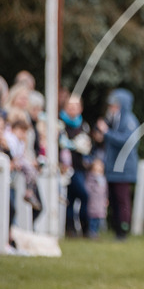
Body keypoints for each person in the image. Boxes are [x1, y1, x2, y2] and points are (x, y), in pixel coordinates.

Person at [96, 88, 140, 240]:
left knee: (122, 200)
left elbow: (127, 141)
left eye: (115, 104)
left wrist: (106, 133)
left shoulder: (129, 120)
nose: (111, 108)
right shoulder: (115, 119)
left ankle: (123, 230)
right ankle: (117, 230)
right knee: (114, 200)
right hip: (114, 167)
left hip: (123, 168)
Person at [60, 95, 93, 238]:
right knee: (82, 195)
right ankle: (82, 227)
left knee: (72, 198)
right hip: (67, 168)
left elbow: (89, 145)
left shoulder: (83, 125)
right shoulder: (60, 124)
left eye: (75, 106)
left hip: (81, 167)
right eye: (70, 106)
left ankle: (73, 228)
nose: (73, 109)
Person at [84, 157, 108, 240]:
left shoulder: (103, 179)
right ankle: (91, 232)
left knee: (98, 218)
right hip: (93, 202)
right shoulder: (91, 178)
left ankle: (95, 232)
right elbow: (88, 188)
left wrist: (106, 199)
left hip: (100, 202)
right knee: (93, 218)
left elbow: (105, 191)